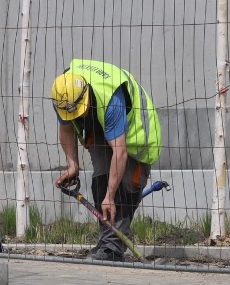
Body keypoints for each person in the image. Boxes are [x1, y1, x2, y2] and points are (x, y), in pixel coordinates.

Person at [51, 59, 162, 262]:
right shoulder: (63, 92)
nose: (75, 116)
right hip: (102, 126)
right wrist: (72, 164)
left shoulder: (111, 99)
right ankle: (108, 244)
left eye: (78, 110)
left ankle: (112, 247)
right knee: (102, 179)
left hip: (138, 135)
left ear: (86, 96)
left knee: (124, 188)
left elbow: (120, 153)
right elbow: (66, 128)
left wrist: (110, 195)